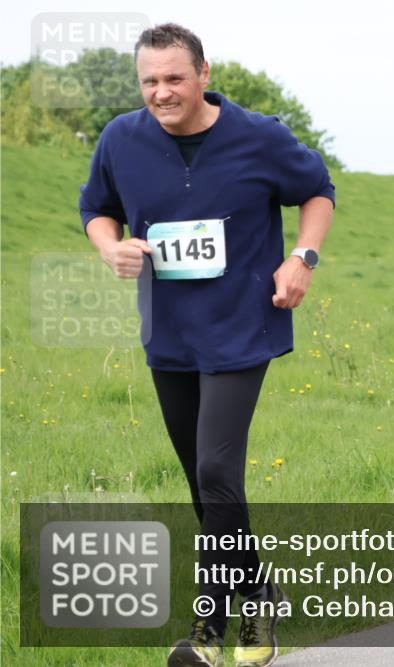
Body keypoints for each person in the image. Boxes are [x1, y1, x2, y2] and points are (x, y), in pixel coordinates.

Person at [78, 23, 334, 667]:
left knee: (218, 470)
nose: (161, 92)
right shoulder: (120, 139)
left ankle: (209, 630)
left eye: (174, 78)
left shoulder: (259, 136)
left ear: (204, 74)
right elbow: (97, 208)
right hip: (170, 333)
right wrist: (111, 247)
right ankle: (259, 595)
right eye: (150, 81)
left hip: (244, 325)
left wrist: (302, 257)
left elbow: (317, 192)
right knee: (202, 481)